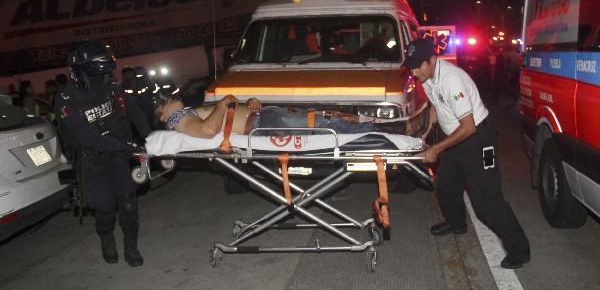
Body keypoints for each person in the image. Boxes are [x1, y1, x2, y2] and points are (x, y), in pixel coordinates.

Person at [402, 39, 530, 270]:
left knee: (486, 200)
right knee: (446, 186)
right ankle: (456, 223)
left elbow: (469, 127)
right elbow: (435, 106)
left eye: (417, 66)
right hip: (456, 141)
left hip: (479, 141)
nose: (413, 72)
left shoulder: (452, 80)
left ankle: (520, 250)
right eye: (410, 67)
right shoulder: (427, 76)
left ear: (432, 60)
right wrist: (427, 132)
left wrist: (437, 148)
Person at [54, 39, 152, 267]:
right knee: (105, 209)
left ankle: (131, 247)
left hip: (116, 156)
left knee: (128, 202)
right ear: (80, 72)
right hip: (91, 161)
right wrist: (126, 146)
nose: (102, 78)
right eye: (97, 74)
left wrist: (151, 139)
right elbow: (84, 138)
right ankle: (107, 239)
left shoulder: (113, 88)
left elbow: (135, 113)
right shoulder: (65, 98)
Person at [154, 97, 390, 138]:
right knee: (328, 125)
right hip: (263, 124)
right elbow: (207, 131)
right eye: (162, 105)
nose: (165, 101)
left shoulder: (188, 113)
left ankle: (380, 127)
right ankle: (382, 133)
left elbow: (225, 118)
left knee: (326, 118)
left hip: (264, 116)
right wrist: (225, 103)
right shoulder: (180, 122)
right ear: (164, 118)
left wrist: (249, 104)